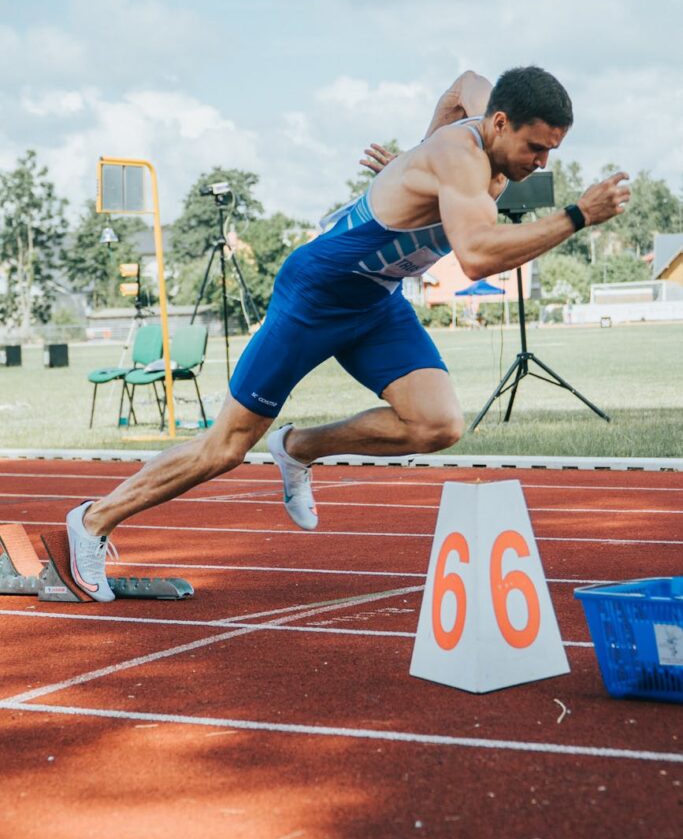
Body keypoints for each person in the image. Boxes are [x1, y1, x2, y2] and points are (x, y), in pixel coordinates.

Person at [67, 65, 630, 601]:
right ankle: (92, 521)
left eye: (553, 149)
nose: (541, 161)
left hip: (377, 301)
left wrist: (408, 161)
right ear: (501, 123)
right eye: (535, 147)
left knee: (437, 424)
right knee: (226, 448)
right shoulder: (461, 159)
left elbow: (465, 83)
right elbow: (478, 256)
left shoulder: (488, 107)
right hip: (315, 296)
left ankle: (297, 447)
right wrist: (577, 215)